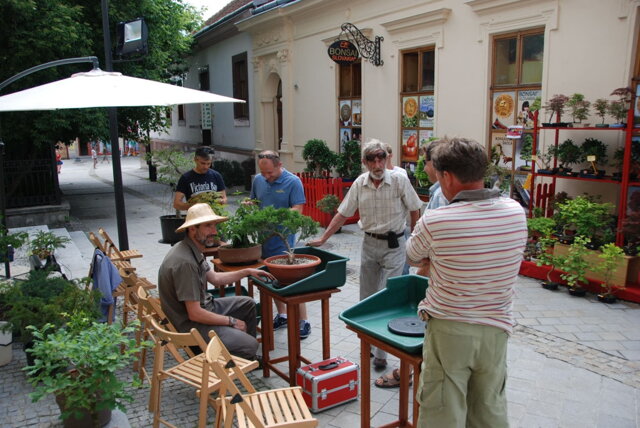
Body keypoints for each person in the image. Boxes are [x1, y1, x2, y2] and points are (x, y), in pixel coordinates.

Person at [406, 137, 527, 427]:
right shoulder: (515, 212)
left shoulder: (436, 220)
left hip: (450, 327)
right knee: (489, 410)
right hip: (496, 329)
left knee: (442, 412)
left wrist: (436, 259)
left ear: (446, 176)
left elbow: (412, 257)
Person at [308, 139, 422, 371]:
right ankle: (370, 344)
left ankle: (382, 353)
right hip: (369, 244)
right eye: (372, 159)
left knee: (385, 295)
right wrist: (324, 238)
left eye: (381, 157)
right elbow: (342, 213)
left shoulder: (400, 180)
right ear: (365, 162)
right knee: (367, 296)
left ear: (387, 158)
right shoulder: (360, 183)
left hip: (394, 245)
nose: (378, 163)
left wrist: (414, 238)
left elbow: (414, 208)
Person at [158, 203, 273, 360]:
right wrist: (231, 321)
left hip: (206, 307)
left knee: (248, 304)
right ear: (193, 229)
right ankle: (233, 353)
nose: (215, 231)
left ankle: (245, 355)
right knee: (250, 345)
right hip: (191, 327)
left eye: (214, 226)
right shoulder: (185, 263)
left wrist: (247, 272)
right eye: (208, 226)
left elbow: (216, 279)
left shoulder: (189, 248)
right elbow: (195, 313)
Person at [249, 150, 311, 339]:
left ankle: (303, 321)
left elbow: (298, 210)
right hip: (263, 239)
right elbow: (254, 202)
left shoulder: (293, 182)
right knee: (270, 279)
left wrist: (277, 217)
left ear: (279, 165)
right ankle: (282, 315)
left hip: (284, 240)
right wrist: (249, 207)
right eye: (263, 173)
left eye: (270, 173)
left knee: (292, 280)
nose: (266, 177)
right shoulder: (258, 180)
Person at [174, 146, 227, 211]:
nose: (206, 167)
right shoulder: (186, 178)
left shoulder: (216, 176)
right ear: (195, 160)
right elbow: (177, 204)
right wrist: (195, 206)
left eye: (208, 164)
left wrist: (222, 201)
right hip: (196, 217)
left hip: (214, 216)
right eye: (202, 163)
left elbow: (224, 198)